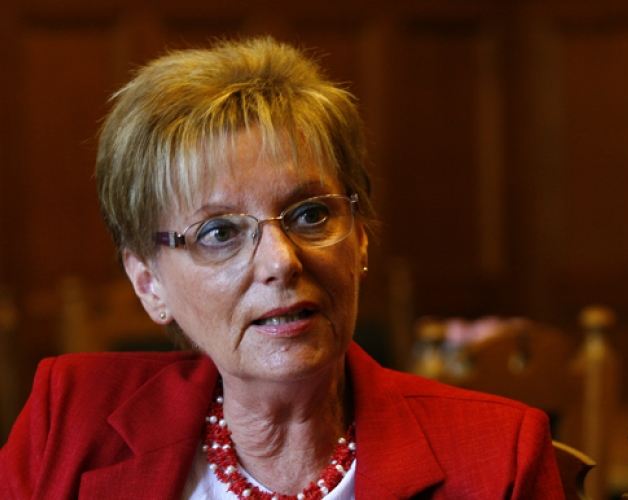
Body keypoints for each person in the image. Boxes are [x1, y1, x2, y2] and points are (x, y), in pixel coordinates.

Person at [0, 37, 565, 499]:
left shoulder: (497, 455)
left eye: (311, 214)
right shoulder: (69, 420)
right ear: (149, 283)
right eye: (219, 233)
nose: (281, 261)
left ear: (360, 238)